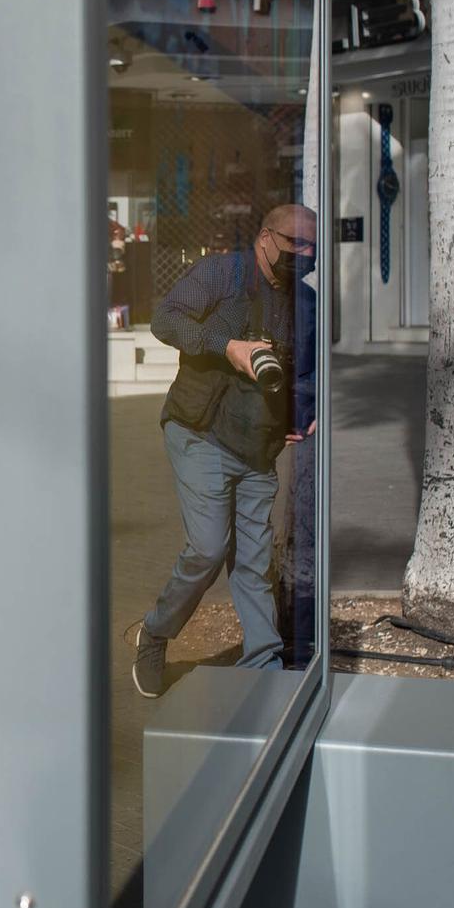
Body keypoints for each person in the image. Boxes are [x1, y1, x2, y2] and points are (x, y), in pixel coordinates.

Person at [132, 204, 317, 697]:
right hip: (200, 430)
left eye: (311, 248)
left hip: (258, 444)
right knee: (209, 548)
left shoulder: (306, 302)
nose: (303, 255)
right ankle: (155, 632)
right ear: (263, 238)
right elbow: (165, 320)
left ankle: (263, 668)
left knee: (255, 561)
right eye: (293, 244)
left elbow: (307, 372)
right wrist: (227, 345)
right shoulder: (222, 272)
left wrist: (305, 407)